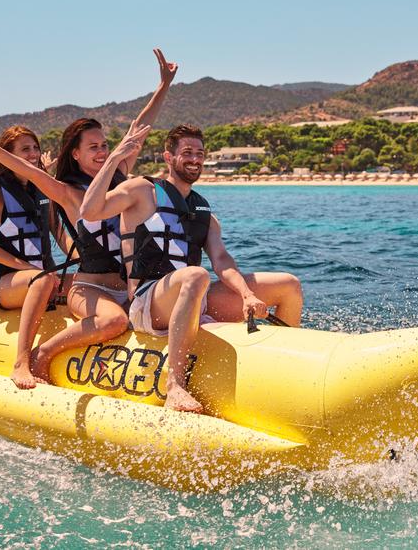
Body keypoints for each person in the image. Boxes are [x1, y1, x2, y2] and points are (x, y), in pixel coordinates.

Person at [0, 48, 178, 384]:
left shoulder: (118, 176)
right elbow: (29, 172)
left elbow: (139, 129)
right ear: (75, 154)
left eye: (104, 145)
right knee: (114, 322)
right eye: (93, 147)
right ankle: (39, 354)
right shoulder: (68, 192)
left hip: (130, 288)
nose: (102, 152)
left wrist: (163, 86)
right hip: (90, 288)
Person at [81, 124, 304, 413]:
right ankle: (175, 386)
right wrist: (113, 159)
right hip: (149, 302)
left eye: (200, 153)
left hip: (193, 296)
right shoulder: (142, 190)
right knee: (197, 275)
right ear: (168, 157)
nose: (195, 159)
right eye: (187, 152)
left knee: (288, 284)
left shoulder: (203, 210)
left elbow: (221, 260)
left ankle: (289, 367)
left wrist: (247, 295)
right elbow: (89, 211)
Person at [0, 125, 60, 389]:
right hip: (6, 284)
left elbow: (57, 230)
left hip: (42, 277)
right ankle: (21, 362)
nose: (33, 153)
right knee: (41, 279)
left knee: (87, 280)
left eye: (35, 147)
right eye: (25, 149)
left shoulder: (42, 186)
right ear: (7, 155)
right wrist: (33, 270)